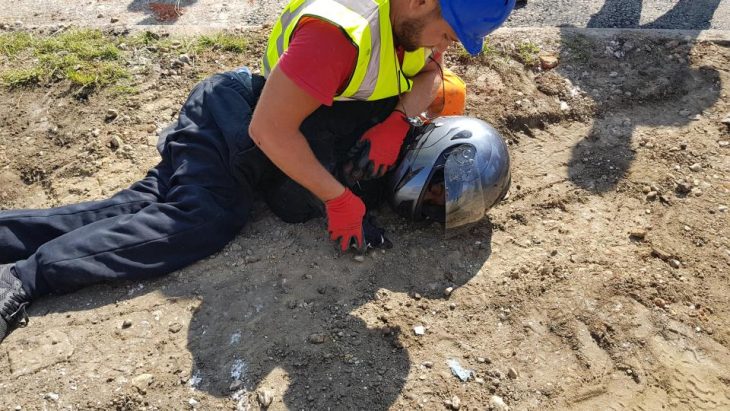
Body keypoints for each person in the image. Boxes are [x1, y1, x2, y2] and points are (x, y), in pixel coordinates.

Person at [0, 0, 516, 343]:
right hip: (238, 126)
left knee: (135, 208)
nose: (444, 48)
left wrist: (400, 120)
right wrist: (338, 199)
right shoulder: (341, 34)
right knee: (199, 222)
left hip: (241, 116)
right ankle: (23, 279)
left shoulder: (410, 27)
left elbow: (429, 74)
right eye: (446, 33)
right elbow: (271, 133)